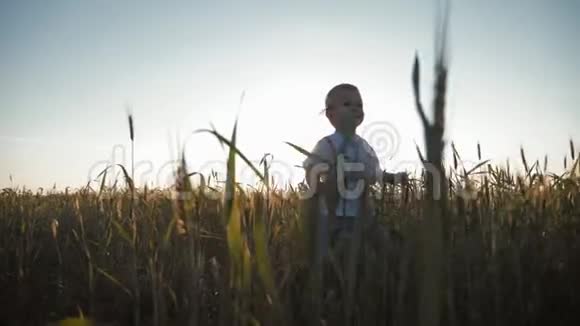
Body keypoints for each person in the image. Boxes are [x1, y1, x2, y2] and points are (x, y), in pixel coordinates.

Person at [302, 83, 407, 258]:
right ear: (330, 114)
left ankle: (391, 263)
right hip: (335, 215)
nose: (355, 109)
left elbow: (373, 174)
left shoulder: (364, 146)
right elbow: (311, 168)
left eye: (359, 105)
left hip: (364, 213)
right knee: (340, 249)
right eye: (347, 104)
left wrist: (392, 178)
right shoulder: (327, 144)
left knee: (380, 242)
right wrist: (318, 189)